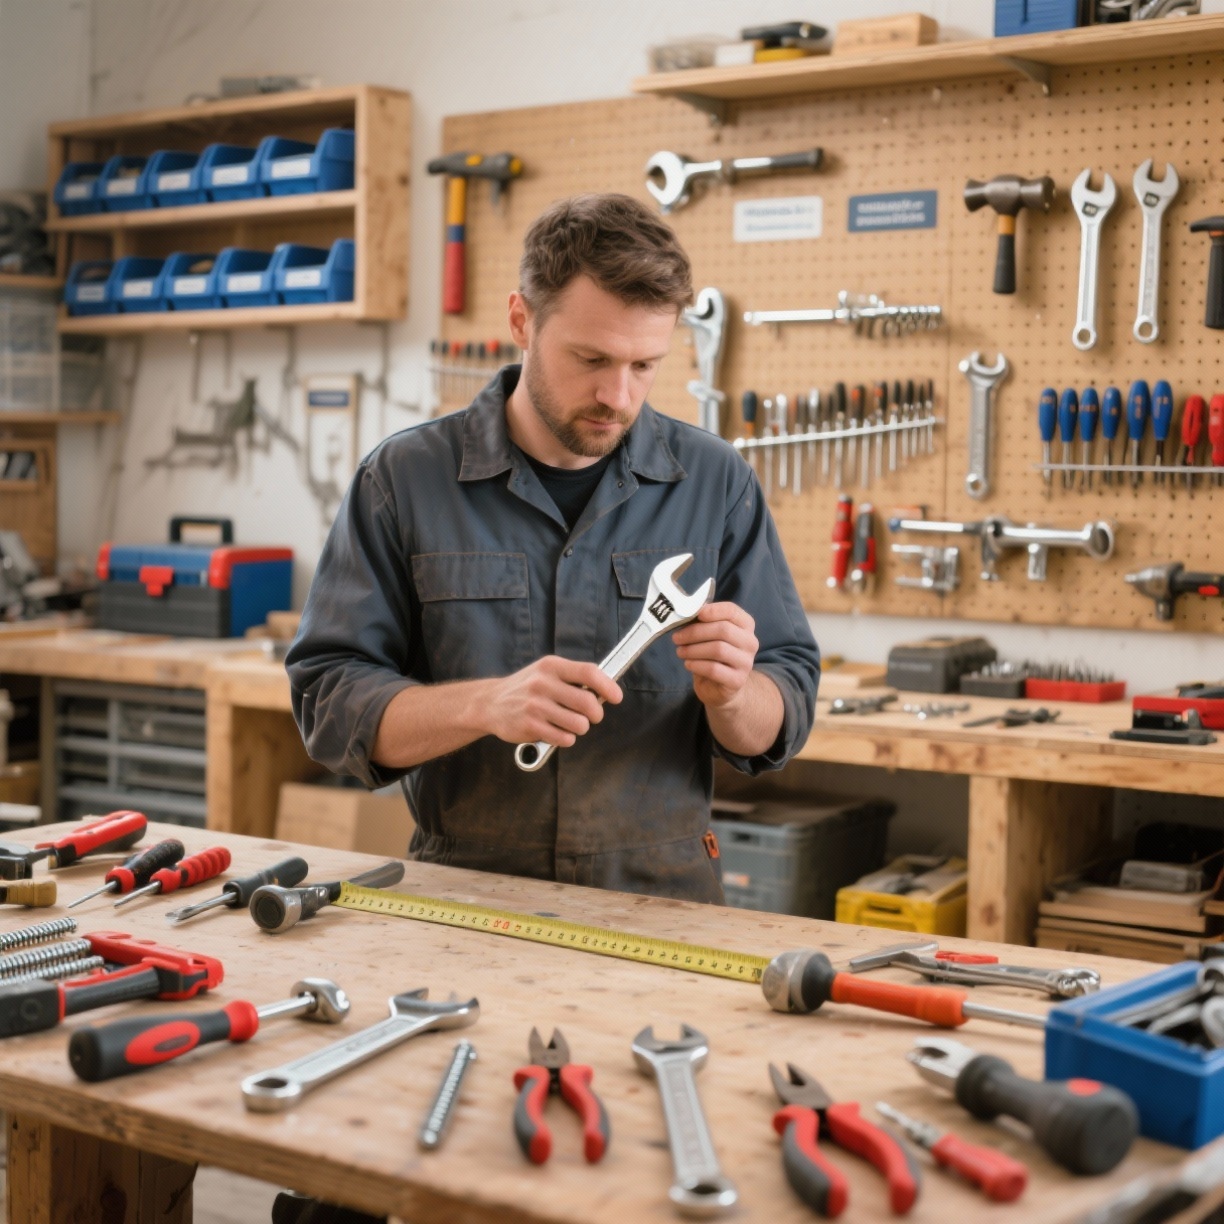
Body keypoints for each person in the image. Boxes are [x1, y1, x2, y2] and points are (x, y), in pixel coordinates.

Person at [286, 192, 820, 903]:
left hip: (666, 903)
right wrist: (483, 706)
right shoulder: (402, 480)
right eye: (592, 358)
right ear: (521, 321)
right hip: (468, 898)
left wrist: (733, 696)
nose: (617, 395)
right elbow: (328, 704)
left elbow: (781, 713)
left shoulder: (716, 482)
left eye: (645, 365)